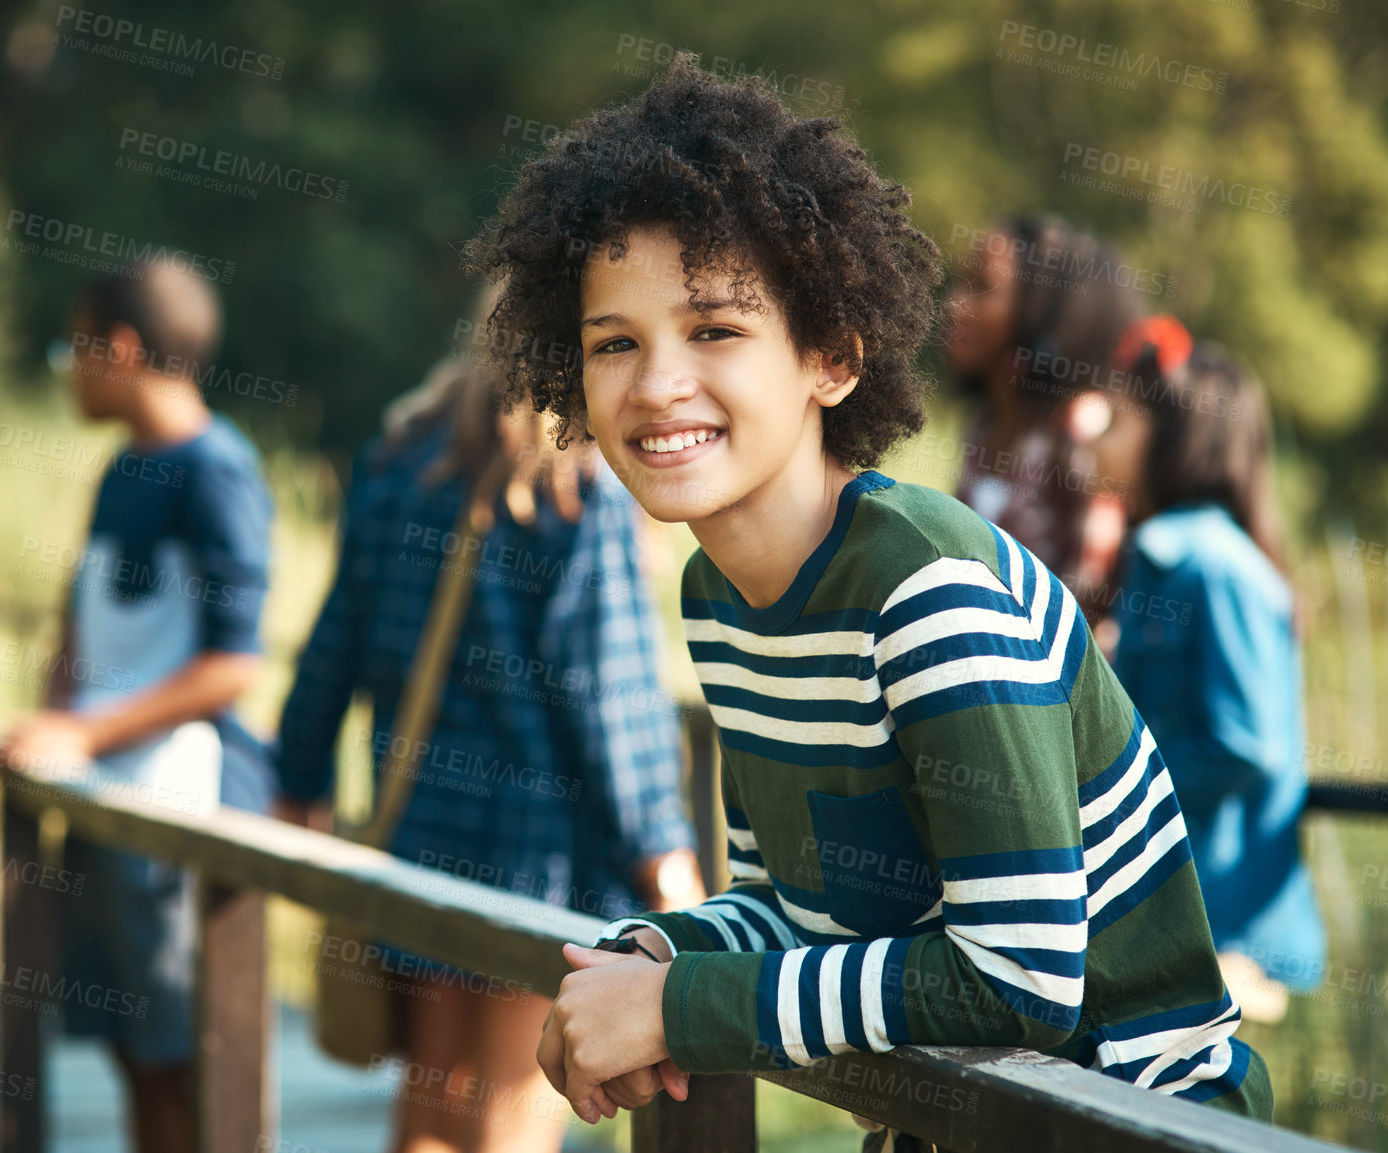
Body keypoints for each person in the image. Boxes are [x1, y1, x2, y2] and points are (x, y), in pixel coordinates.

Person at [464, 56, 1272, 1146]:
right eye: (616, 343)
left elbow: (1020, 981)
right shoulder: (720, 596)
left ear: (832, 357)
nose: (655, 385)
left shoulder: (932, 591)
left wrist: (680, 1008)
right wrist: (649, 958)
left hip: (1131, 1121)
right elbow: (792, 916)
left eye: (715, 330)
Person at [273, 307, 704, 1153]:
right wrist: (666, 854)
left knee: (429, 1107)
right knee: (512, 1113)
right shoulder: (579, 488)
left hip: (419, 846)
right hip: (538, 863)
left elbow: (332, 646)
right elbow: (611, 697)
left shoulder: (399, 462)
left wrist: (300, 781)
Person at [0, 260, 275, 1153]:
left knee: (187, 1056)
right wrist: (54, 717)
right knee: (130, 1049)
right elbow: (77, 625)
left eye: (71, 349)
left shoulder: (218, 472)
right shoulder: (123, 468)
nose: (68, 370)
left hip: (177, 809)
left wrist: (78, 731)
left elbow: (233, 665)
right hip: (100, 802)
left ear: (119, 349)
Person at [1089, 317, 1325, 1023]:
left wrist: (1118, 784)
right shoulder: (1160, 559)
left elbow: (1250, 740)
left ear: (1172, 437)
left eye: (1118, 420)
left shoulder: (1212, 567)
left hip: (1226, 933)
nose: (1095, 436)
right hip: (1174, 922)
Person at [942, 215, 1145, 626]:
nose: (954, 304)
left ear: (1040, 311)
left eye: (982, 287)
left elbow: (1087, 611)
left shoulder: (1083, 435)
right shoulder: (983, 427)